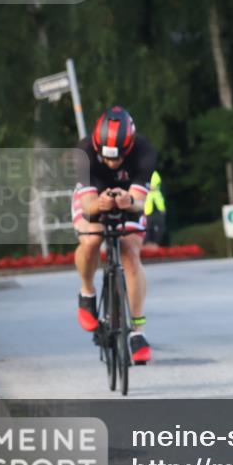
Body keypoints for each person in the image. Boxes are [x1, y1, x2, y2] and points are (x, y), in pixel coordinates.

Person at [71, 105, 157, 364]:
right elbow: (87, 207)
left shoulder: (144, 151)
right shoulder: (83, 152)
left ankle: (137, 332)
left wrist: (127, 200)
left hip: (128, 196)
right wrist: (101, 204)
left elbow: (140, 203)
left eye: (117, 158)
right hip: (93, 195)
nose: (111, 163)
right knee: (92, 239)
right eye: (106, 157)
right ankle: (87, 293)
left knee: (130, 253)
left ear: (129, 148)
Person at [143, 170, 167, 248]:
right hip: (147, 212)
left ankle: (155, 244)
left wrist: (162, 210)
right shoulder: (142, 173)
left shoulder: (154, 174)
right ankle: (147, 245)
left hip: (157, 211)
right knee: (147, 229)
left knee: (159, 228)